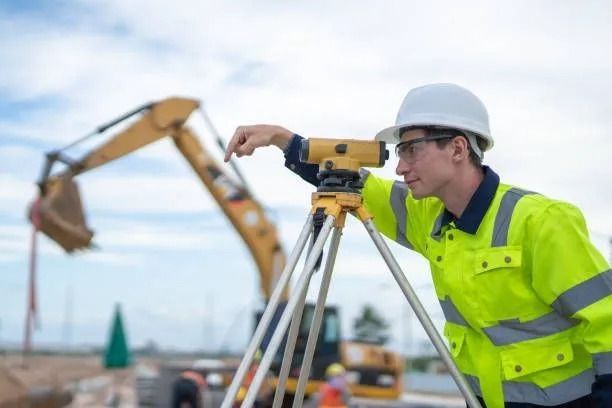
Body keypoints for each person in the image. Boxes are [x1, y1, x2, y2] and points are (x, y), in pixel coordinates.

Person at [224, 83, 612, 408]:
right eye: (400, 152)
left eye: (412, 149)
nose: (400, 166)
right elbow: (355, 182)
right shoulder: (431, 218)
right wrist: (281, 139)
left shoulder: (539, 222)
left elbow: (607, 322)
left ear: (458, 149)